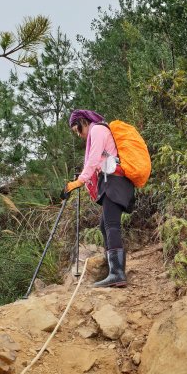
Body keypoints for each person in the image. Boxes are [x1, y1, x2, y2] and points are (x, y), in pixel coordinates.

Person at [64, 109, 135, 287]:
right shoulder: (99, 131)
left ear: (83, 121)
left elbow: (94, 159)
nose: (79, 134)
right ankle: (113, 269)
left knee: (111, 225)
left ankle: (117, 273)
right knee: (105, 225)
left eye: (77, 130)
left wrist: (78, 182)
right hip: (112, 181)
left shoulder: (97, 130)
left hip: (114, 181)